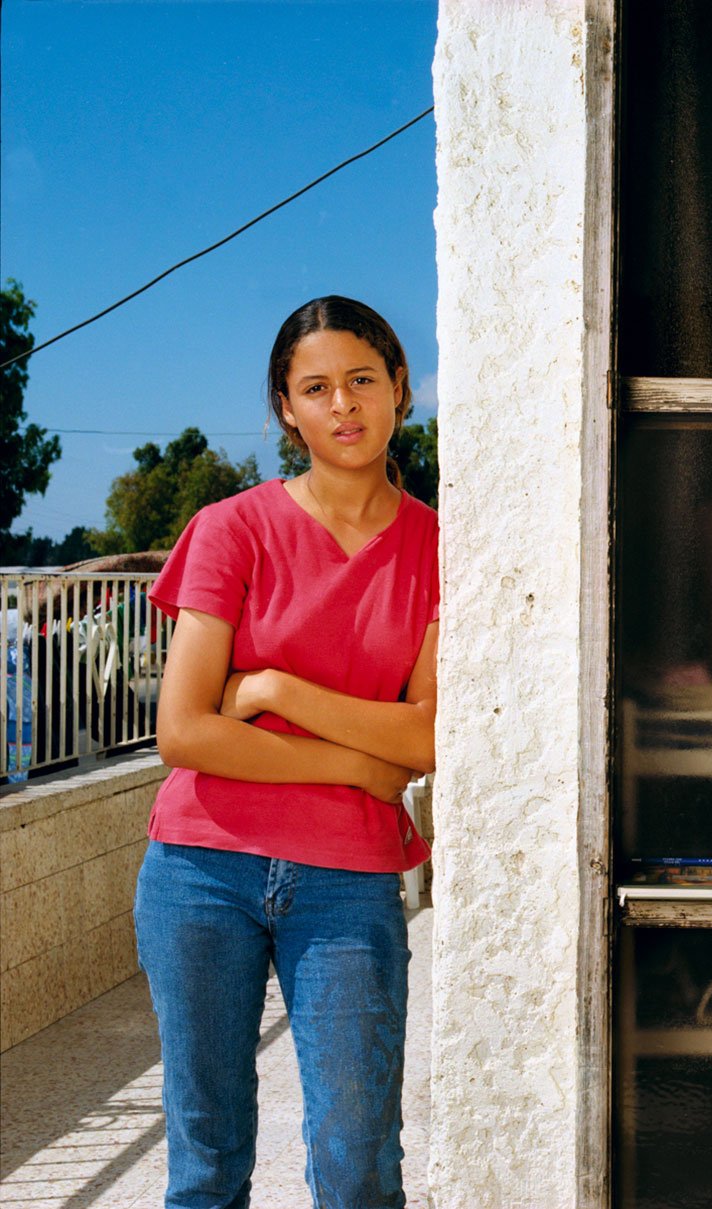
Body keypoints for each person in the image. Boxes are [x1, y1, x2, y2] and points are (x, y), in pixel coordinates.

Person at [134, 296, 438, 1208]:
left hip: (348, 880)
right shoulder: (232, 528)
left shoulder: (440, 546)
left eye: (361, 380)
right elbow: (183, 731)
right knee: (207, 1154)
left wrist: (272, 692)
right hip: (199, 870)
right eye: (316, 387)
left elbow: (426, 734)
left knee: (356, 1161)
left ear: (399, 391)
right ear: (285, 408)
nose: (342, 404)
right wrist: (354, 761)